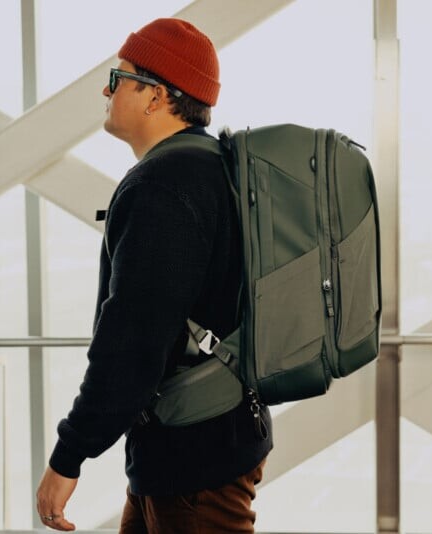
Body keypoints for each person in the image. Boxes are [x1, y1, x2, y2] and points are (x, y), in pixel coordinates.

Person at [35, 17, 273, 533]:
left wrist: (68, 455)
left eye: (118, 78)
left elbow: (133, 339)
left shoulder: (163, 186)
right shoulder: (214, 167)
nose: (106, 90)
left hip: (196, 460)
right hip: (194, 443)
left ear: (155, 96)